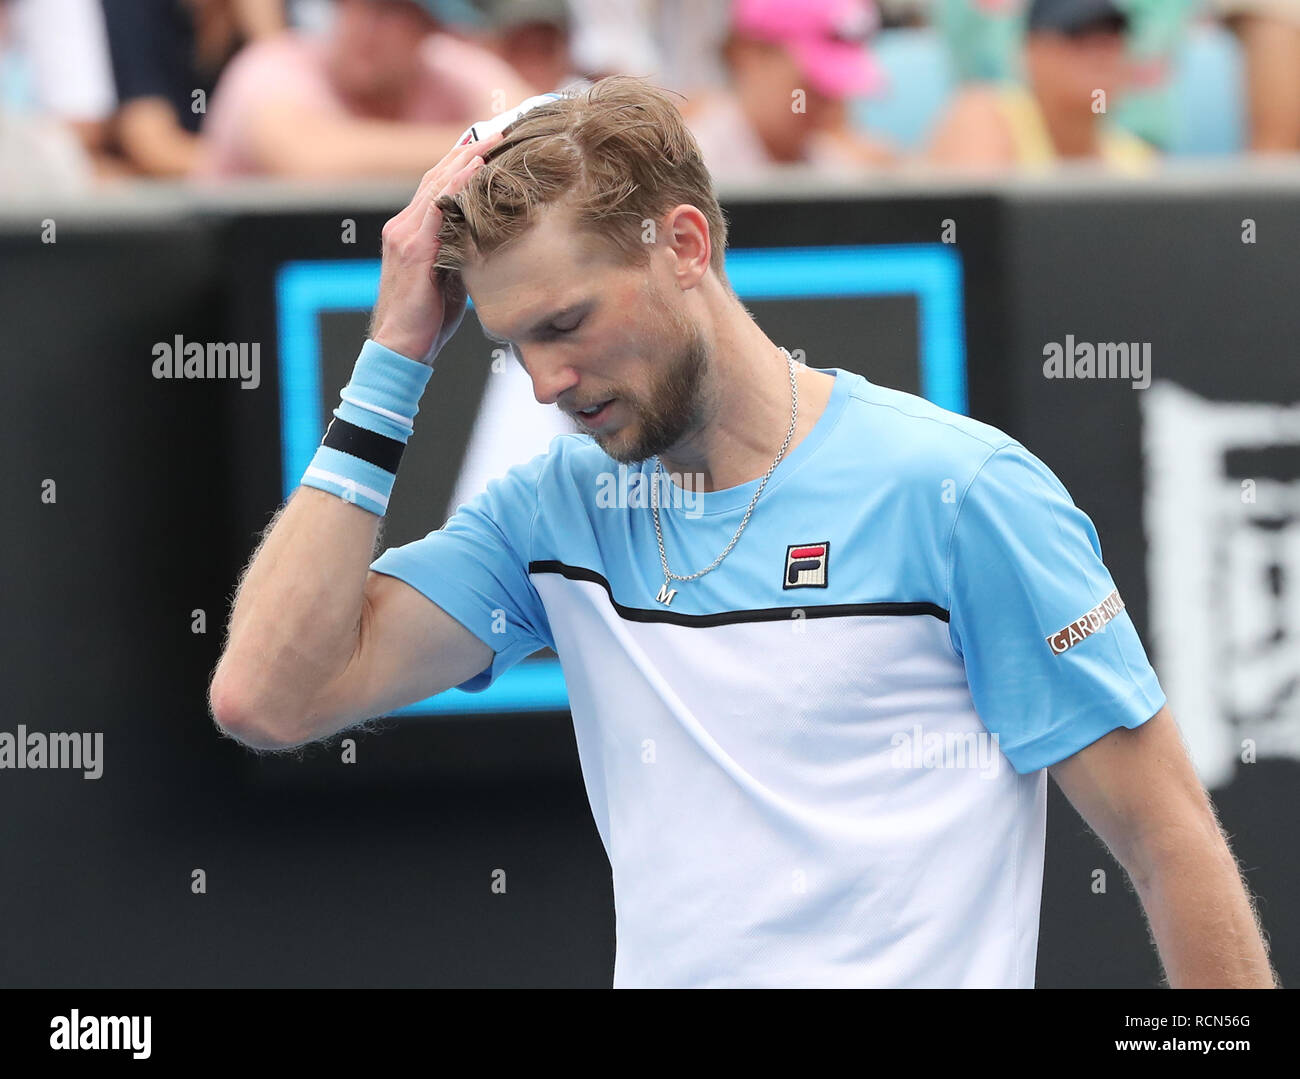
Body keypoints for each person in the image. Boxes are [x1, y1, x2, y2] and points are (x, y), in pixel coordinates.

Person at [210, 77, 1278, 989]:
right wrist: (394, 355)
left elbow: (1163, 836)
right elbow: (269, 695)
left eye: (566, 322)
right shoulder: (546, 512)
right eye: (511, 345)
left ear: (683, 243)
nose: (544, 383)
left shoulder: (959, 491)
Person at [194, 0, 531, 179]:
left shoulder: (443, 64)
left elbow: (528, 124)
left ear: (430, 29)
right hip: (224, 297)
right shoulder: (272, 64)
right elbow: (309, 161)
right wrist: (473, 147)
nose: (367, 27)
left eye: (392, 10)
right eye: (356, 3)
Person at [927, 0, 1155, 171]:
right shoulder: (987, 114)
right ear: (1031, 51)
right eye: (1078, 35)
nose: (1102, 53)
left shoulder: (1135, 160)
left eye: (1113, 36)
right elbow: (971, 221)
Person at [684, 0, 898, 178]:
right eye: (814, 87)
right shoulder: (687, 168)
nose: (829, 101)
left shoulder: (840, 168)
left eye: (837, 86)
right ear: (751, 55)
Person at [101, 0, 285, 177]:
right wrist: (262, 161)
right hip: (174, 196)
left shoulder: (263, 18)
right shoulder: (136, 10)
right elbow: (152, 147)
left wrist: (265, 35)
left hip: (240, 188)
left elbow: (289, 124)